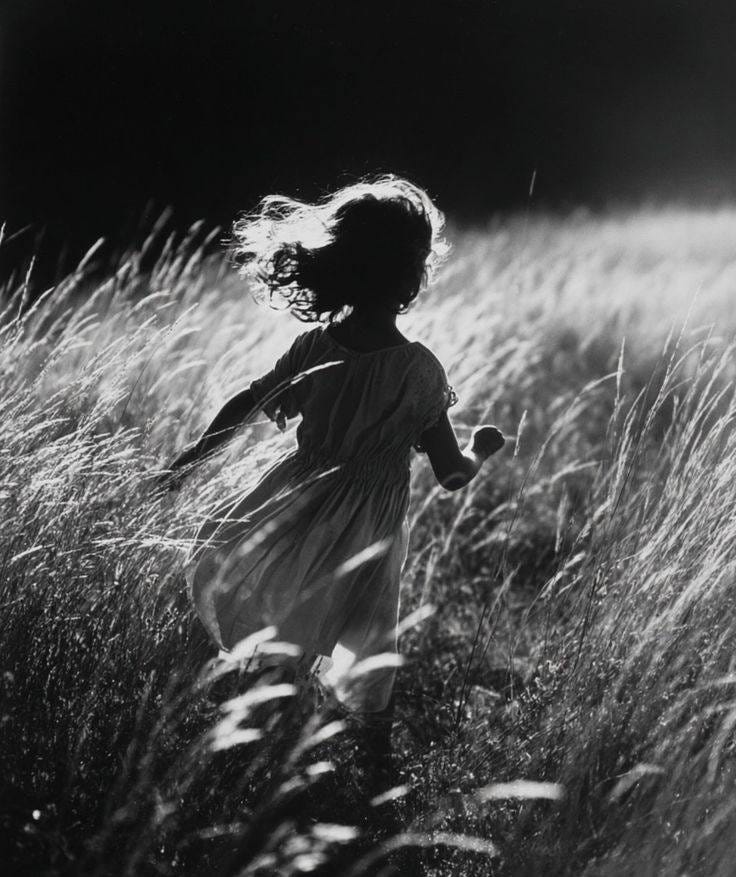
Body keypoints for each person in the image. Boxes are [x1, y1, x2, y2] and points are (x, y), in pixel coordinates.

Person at [160, 175, 504, 760]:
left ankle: (256, 741)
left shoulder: (316, 347)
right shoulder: (420, 372)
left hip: (297, 504)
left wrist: (195, 455)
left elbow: (249, 400)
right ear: (412, 277)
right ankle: (369, 758)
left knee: (288, 619)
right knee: (368, 639)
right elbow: (451, 475)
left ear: (342, 265)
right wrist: (481, 450)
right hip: (368, 532)